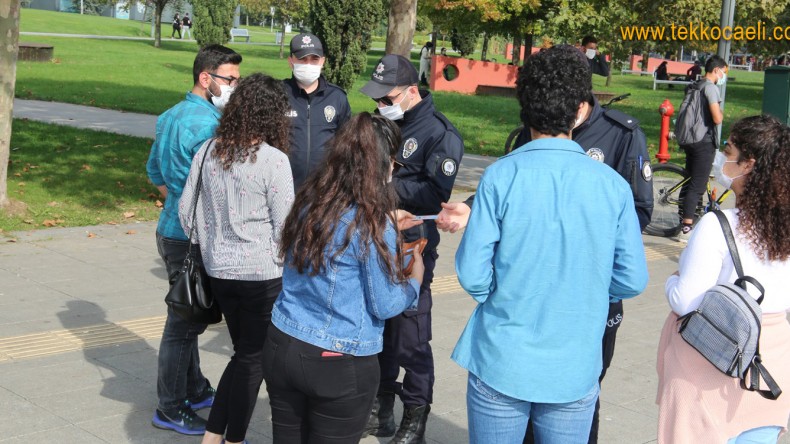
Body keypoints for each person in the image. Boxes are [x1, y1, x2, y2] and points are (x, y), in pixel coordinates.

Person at [438, 48, 654, 444]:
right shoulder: (612, 186)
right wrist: (585, 293)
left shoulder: (500, 176)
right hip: (573, 361)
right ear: (579, 108)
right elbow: (632, 279)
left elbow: (471, 273)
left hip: (502, 354)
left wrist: (501, 296)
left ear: (525, 107)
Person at [263, 112, 423, 443]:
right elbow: (385, 303)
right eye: (393, 162)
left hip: (283, 341)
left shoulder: (310, 200)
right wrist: (414, 281)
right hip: (339, 358)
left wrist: (388, 225)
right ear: (383, 165)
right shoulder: (370, 222)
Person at [657, 115, 790, 443]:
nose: (721, 157)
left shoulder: (718, 225)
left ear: (748, 165)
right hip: (770, 366)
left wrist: (672, 280)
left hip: (709, 373)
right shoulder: (784, 230)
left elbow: (686, 300)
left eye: (729, 150)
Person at [178, 74, 294, 444]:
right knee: (251, 360)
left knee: (243, 354)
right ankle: (232, 439)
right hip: (262, 276)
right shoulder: (273, 160)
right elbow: (286, 227)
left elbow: (185, 212)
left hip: (218, 272)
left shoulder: (208, 151)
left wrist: (213, 242)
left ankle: (213, 435)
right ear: (273, 115)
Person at [359, 54, 464, 444]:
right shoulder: (382, 124)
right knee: (380, 327)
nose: (381, 106)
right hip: (374, 238)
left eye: (388, 98)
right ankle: (380, 408)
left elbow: (436, 193)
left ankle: (415, 417)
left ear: (412, 92)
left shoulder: (440, 133)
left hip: (411, 246)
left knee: (410, 333)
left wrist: (381, 191)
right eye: (378, 99)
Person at [146, 44, 241, 435]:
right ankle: (170, 406)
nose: (235, 87)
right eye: (230, 80)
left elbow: (155, 173)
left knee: (191, 314)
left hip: (170, 231)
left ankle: (195, 387)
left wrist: (178, 205)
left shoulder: (171, 115)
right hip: (191, 237)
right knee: (182, 324)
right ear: (207, 78)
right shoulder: (208, 126)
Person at [283, 33, 351, 190]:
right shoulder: (278, 94)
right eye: (302, 59)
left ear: (323, 61)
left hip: (324, 188)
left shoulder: (337, 97)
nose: (308, 64)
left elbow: (346, 142)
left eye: (314, 59)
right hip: (285, 186)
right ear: (291, 61)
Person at [675, 55, 728, 242]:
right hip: (703, 141)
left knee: (689, 180)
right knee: (697, 184)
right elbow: (717, 118)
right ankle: (686, 228)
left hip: (689, 139)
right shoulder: (711, 88)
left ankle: (683, 219)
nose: (724, 76)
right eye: (724, 72)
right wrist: (721, 111)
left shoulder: (695, 85)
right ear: (716, 70)